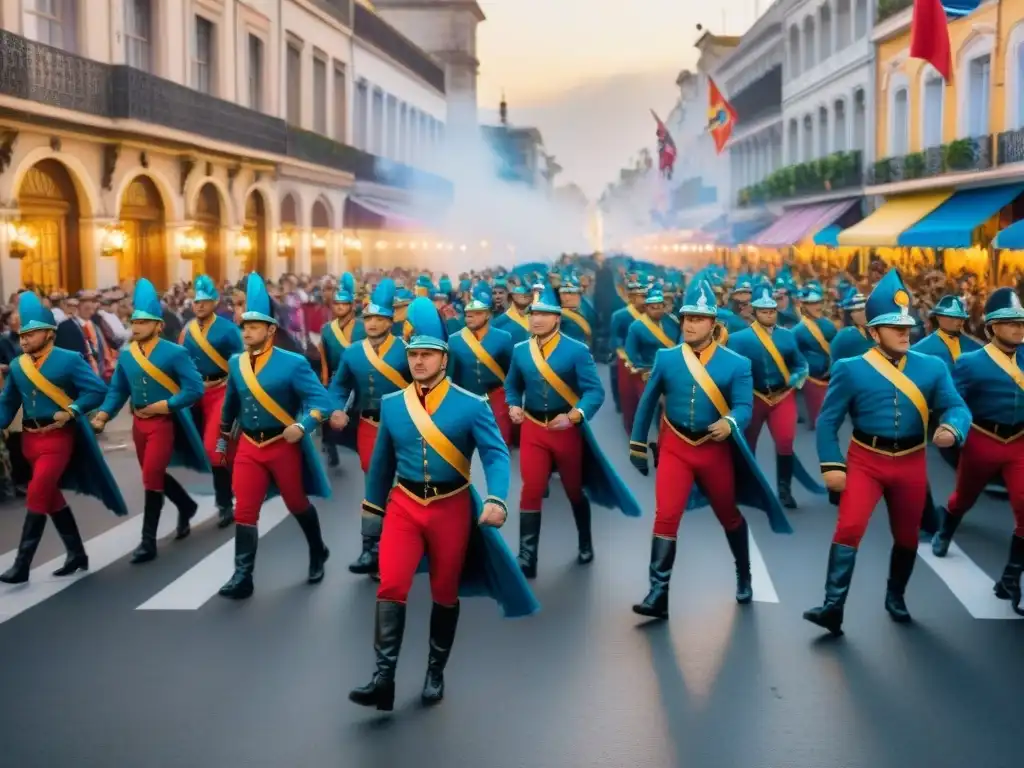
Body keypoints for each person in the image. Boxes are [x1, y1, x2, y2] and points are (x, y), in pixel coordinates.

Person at [349, 298, 538, 712]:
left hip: (452, 507)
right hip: (404, 505)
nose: (418, 361)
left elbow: (495, 455)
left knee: (444, 592)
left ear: (443, 358)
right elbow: (381, 466)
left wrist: (495, 498)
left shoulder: (472, 405)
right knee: (391, 584)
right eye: (413, 354)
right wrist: (372, 512)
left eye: (427, 355)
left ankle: (435, 670)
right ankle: (384, 679)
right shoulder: (395, 404)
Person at [805, 269, 971, 635]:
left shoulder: (932, 367)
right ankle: (833, 607)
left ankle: (896, 596)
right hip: (866, 459)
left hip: (911, 461)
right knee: (849, 527)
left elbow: (958, 407)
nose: (903, 332)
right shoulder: (850, 369)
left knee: (908, 536)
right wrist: (832, 465)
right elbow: (828, 422)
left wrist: (951, 427)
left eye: (907, 325)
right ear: (872, 332)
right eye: (892, 326)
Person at [629, 280, 791, 618]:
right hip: (674, 445)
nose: (689, 324)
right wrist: (638, 445)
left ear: (713, 325)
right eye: (686, 317)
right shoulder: (667, 357)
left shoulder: (736, 364)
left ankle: (743, 573)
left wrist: (730, 422)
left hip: (712, 449)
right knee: (666, 515)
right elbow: (646, 404)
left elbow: (745, 406)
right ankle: (658, 594)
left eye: (698, 319)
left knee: (727, 514)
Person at [505, 284, 641, 578]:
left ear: (557, 318)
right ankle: (527, 557)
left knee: (572, 489)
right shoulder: (520, 351)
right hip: (533, 428)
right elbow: (512, 385)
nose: (536, 319)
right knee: (531, 488)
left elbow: (594, 391)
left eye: (544, 314)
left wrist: (575, 415)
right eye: (533, 314)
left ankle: (585, 541)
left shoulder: (576, 350)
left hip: (565, 430)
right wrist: (513, 404)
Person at [216, 273, 333, 600]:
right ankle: (243, 576)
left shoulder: (293, 363)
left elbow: (321, 401)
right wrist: (223, 441)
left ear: (270, 330)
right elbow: (230, 406)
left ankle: (317, 550)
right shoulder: (236, 363)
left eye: (253, 326)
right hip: (250, 446)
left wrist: (303, 426)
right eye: (244, 325)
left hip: (283, 444)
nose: (246, 330)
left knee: (296, 502)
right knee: (245, 509)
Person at [0, 292, 127, 584]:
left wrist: (72, 410)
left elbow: (96, 390)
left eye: (31, 333)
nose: (24, 339)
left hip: (58, 438)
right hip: (29, 440)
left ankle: (22, 565)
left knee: (37, 492)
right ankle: (77, 554)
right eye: (22, 334)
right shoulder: (19, 365)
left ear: (48, 333)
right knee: (50, 496)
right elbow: (8, 403)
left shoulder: (69, 360)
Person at [91, 279, 208, 563]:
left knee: (151, 476)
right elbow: (119, 388)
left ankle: (147, 542)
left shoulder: (174, 353)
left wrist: (168, 405)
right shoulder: (126, 354)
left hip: (163, 423)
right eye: (134, 321)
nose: (136, 326)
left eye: (143, 322)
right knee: (152, 474)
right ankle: (187, 505)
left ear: (158, 325)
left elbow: (194, 388)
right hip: (138, 423)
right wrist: (104, 414)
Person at [930, 287, 1024, 614]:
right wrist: (952, 428)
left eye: (1022, 322)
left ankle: (1011, 579)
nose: (1019, 329)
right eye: (1011, 322)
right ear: (993, 326)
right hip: (983, 438)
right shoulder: (970, 363)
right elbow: (954, 402)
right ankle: (946, 529)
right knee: (963, 497)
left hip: (1019, 443)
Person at [328, 279, 410, 576]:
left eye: (379, 318)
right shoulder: (352, 353)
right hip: (369, 426)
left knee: (404, 488)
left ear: (390, 321)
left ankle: (402, 545)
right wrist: (336, 409)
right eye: (369, 318)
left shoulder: (407, 351)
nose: (373, 324)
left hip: (405, 428)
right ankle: (370, 549)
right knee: (374, 486)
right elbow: (339, 388)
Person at [727, 279, 820, 509]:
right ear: (755, 311)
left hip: (782, 395)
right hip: (754, 396)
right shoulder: (739, 339)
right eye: (764, 310)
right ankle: (748, 487)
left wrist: (797, 377)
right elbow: (729, 368)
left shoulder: (788, 336)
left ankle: (784, 489)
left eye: (772, 310)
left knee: (786, 442)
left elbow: (800, 363)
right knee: (747, 444)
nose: (769, 314)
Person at [911, 294, 983, 533]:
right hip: (935, 412)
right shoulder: (922, 350)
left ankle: (956, 506)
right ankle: (926, 517)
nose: (956, 322)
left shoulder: (975, 347)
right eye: (951, 317)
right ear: (939, 317)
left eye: (959, 318)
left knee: (971, 463)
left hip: (972, 412)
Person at [179, 274, 244, 528]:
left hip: (222, 391)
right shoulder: (186, 331)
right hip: (196, 393)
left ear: (215, 303)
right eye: (196, 302)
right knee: (217, 449)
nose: (200, 306)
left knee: (213, 448)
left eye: (205, 302)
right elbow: (180, 361)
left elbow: (241, 362)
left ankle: (224, 503)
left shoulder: (229, 330)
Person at [446, 282, 515, 445]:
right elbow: (450, 374)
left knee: (500, 441)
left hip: (496, 395)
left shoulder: (504, 338)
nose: (470, 317)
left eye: (476, 314)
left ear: (487, 315)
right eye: (468, 314)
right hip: (466, 397)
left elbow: (511, 371)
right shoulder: (455, 339)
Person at [319, 273, 365, 469]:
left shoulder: (363, 327)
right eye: (336, 304)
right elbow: (324, 355)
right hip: (337, 376)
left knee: (357, 416)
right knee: (330, 411)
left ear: (351, 306)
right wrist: (325, 377)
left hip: (358, 375)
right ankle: (330, 446)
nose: (339, 307)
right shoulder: (327, 329)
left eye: (344, 304)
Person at [792, 282, 837, 429]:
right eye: (811, 303)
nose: (817, 306)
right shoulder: (798, 330)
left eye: (818, 302)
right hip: (811, 377)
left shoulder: (829, 325)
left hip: (830, 374)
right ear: (804, 306)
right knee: (818, 419)